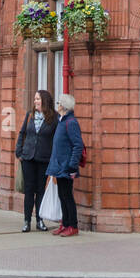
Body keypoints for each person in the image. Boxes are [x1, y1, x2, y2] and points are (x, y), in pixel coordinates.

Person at [16, 89, 58, 232]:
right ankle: (26, 221)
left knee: (40, 190)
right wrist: (19, 152)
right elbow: (22, 133)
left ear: (45, 101)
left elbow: (56, 140)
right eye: (35, 99)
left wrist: (54, 158)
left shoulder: (54, 118)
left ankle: (39, 220)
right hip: (28, 158)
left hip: (44, 159)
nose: (35, 102)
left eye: (38, 99)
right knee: (29, 190)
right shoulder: (30, 115)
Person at [46, 93, 84, 237]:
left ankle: (72, 226)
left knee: (67, 196)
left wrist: (72, 165)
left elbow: (77, 145)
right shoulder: (61, 120)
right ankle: (64, 223)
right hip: (59, 166)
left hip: (67, 167)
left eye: (58, 103)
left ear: (62, 106)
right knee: (62, 195)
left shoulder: (71, 122)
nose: (57, 105)